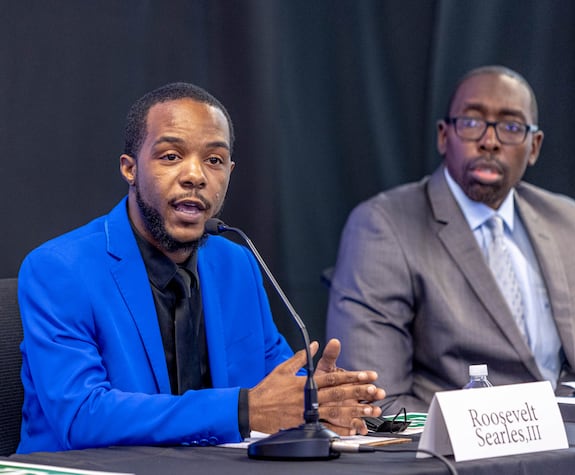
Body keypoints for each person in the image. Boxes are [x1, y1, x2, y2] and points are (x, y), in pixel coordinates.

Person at [17, 82, 385, 454]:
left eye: (214, 160)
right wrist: (242, 411)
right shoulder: (59, 269)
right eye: (171, 156)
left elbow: (272, 381)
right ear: (130, 168)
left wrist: (314, 400)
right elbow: (81, 417)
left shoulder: (236, 263)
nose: (196, 176)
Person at [326, 65, 575, 414]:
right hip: (456, 461)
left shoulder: (570, 223)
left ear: (535, 146)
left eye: (511, 127)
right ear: (444, 136)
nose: (489, 141)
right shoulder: (383, 226)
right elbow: (379, 402)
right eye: (471, 122)